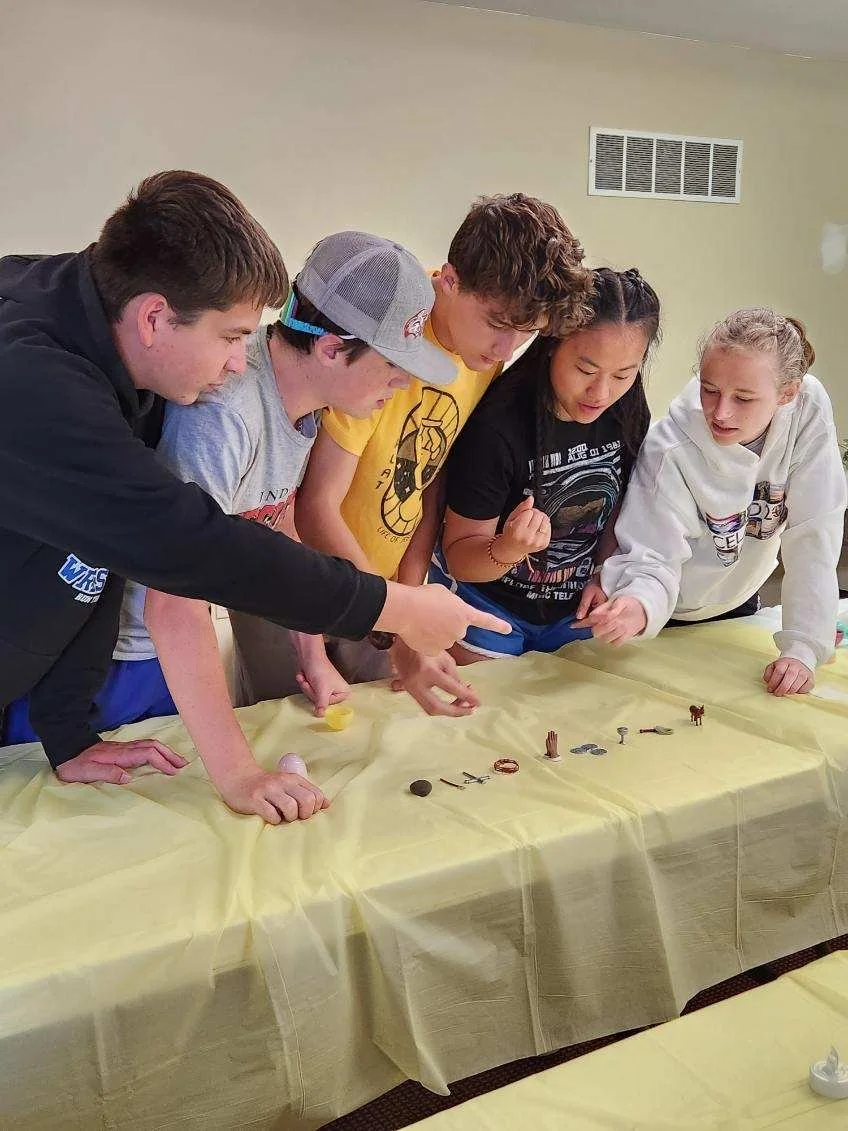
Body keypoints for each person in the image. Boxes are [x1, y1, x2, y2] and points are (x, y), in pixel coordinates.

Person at [0, 171, 509, 800]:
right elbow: (182, 554)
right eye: (233, 337)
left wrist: (67, 733)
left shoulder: (90, 309)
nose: (242, 363)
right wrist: (396, 611)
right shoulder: (41, 384)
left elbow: (96, 551)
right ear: (155, 317)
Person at [295, 193, 593, 713]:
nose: (507, 351)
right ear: (448, 280)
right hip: (299, 582)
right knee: (284, 730)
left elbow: (433, 479)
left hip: (382, 588)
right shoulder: (387, 336)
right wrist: (396, 612)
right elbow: (313, 505)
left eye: (527, 333)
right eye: (499, 325)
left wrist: (406, 602)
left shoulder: (483, 357)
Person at [584, 308, 846, 696]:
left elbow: (814, 532)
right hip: (668, 612)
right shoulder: (670, 448)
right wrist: (637, 605)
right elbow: (653, 554)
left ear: (787, 393)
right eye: (709, 390)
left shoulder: (807, 409)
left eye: (743, 398)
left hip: (740, 599)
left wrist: (804, 647)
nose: (720, 413)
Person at [429, 268, 659, 660]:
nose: (601, 392)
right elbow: (461, 558)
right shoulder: (498, 426)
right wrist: (507, 548)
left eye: (623, 374)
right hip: (486, 600)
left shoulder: (628, 408)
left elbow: (619, 505)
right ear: (552, 343)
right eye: (585, 370)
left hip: (572, 610)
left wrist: (605, 572)